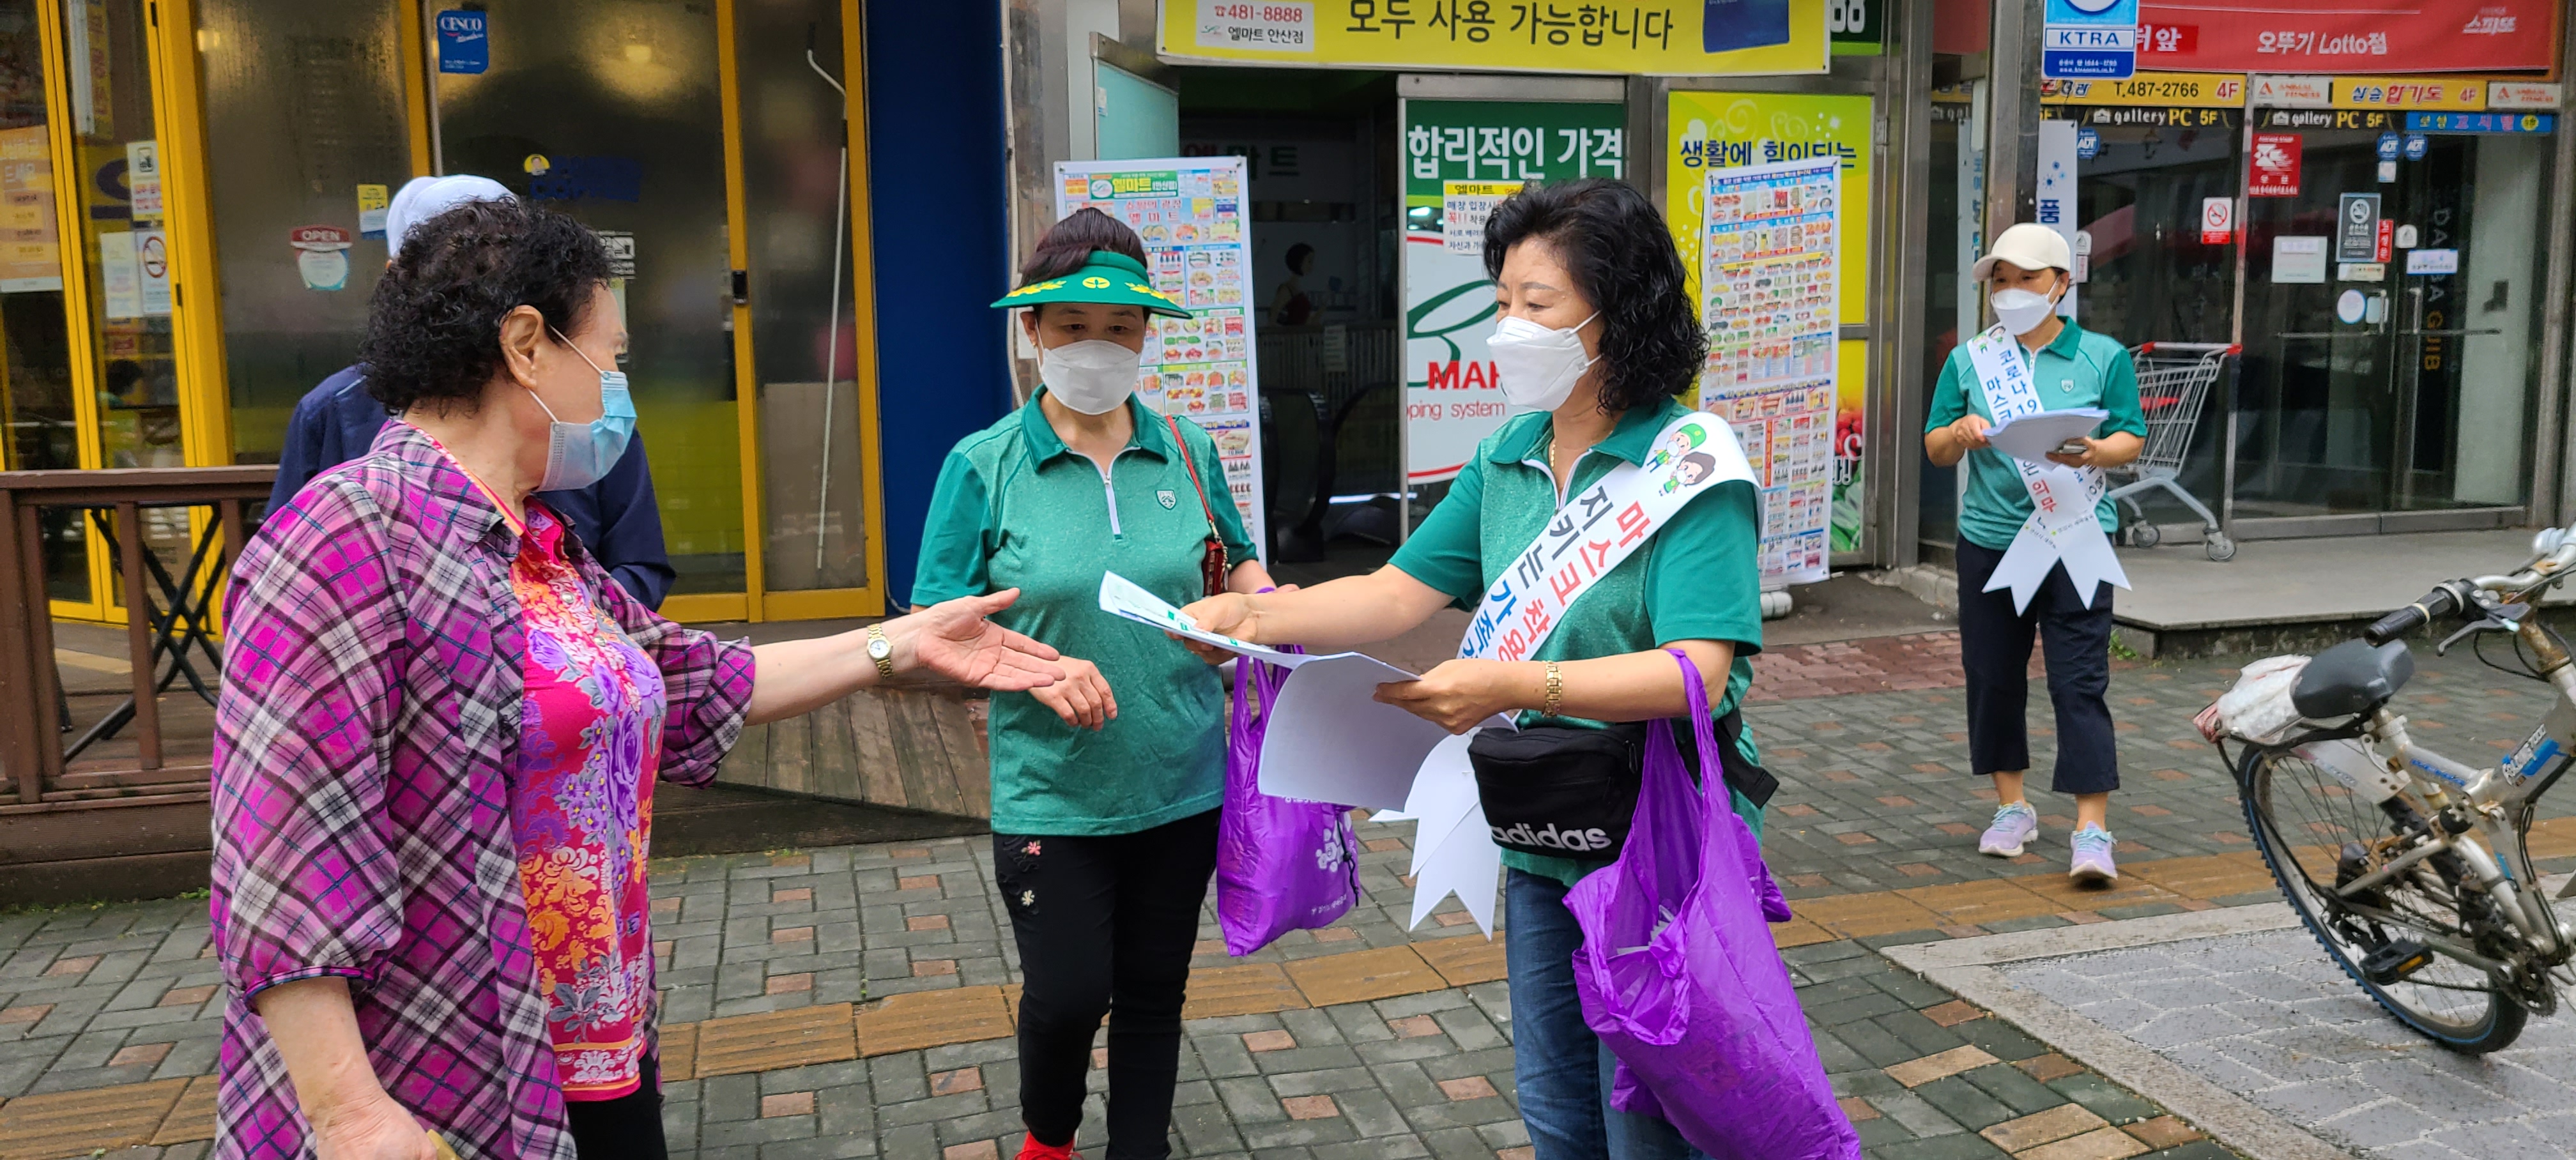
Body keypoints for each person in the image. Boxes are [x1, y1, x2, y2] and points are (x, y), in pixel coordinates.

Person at [210, 197, 1066, 1160]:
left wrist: (897, 646)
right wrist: (353, 1116)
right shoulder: (345, 536)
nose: (617, 388)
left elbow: (696, 679)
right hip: (438, 1086)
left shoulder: (539, 546)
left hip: (596, 1046)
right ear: (527, 347)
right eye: (611, 358)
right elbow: (280, 857)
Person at [1178, 179, 1767, 1160]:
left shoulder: (1690, 464)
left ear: (1619, 314)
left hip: (1658, 844)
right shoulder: (1507, 455)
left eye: (1535, 305)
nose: (1506, 329)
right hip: (1542, 829)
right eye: (1500, 302)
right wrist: (1254, 613)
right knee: (1557, 1118)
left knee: (1647, 1123)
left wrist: (1507, 687)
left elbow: (1697, 677)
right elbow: (1394, 594)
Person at [912, 206, 1275, 1160]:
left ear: (1147, 334)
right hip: (1053, 795)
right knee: (1071, 994)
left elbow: (1240, 563)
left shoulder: (1190, 450)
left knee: (1155, 994)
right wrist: (1025, 674)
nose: (1097, 346)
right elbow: (928, 630)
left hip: (1183, 779)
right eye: (1072, 325)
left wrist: (1258, 614)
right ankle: (1050, 1135)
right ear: (1032, 331)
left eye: (1120, 328)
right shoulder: (982, 465)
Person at [265, 173, 676, 609]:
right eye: (455, 262)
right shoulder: (341, 493)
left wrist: (582, 643)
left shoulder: (584, 432)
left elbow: (643, 576)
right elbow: (290, 602)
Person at [1922, 222, 2148, 881]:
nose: (2011, 291)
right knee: (1993, 677)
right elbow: (1935, 446)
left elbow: (2131, 436)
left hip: (2075, 537)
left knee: (2080, 681)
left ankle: (2092, 828)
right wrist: (1960, 432)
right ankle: (2012, 807)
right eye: (2001, 279)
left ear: (2061, 284)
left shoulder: (2103, 356)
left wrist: (2097, 452)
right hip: (1991, 541)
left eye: (2026, 278)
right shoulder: (1970, 360)